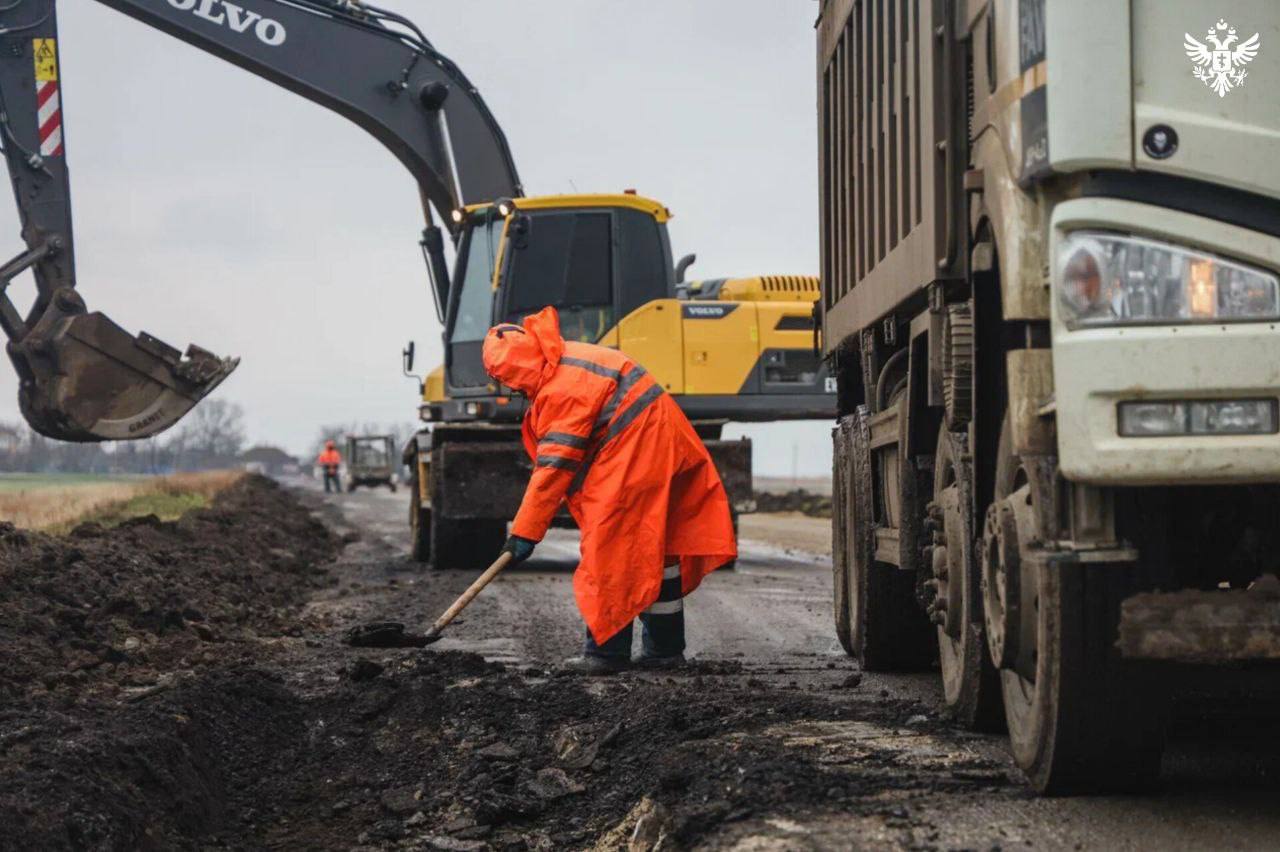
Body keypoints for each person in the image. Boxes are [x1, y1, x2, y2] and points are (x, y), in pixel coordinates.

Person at [482, 306, 737, 674]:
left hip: (637, 447)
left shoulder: (561, 389)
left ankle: (606, 653)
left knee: (609, 549)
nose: (513, 390)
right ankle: (664, 651)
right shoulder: (565, 357)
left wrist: (524, 534)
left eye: (508, 381)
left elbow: (553, 469)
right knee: (657, 550)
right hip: (659, 441)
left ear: (514, 370)